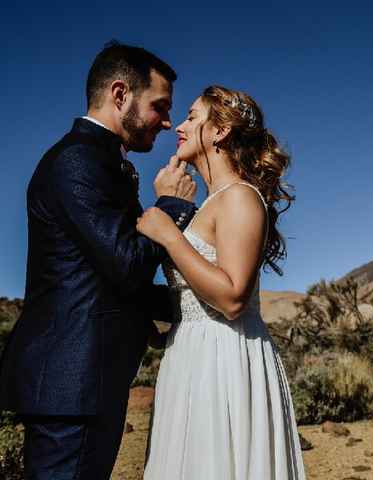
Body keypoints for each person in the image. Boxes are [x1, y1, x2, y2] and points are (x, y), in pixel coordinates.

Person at [0, 42, 197, 479]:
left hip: (85, 385)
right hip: (72, 387)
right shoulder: (77, 162)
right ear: (120, 94)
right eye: (160, 106)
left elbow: (106, 278)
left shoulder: (99, 161)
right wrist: (171, 207)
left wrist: (204, 306)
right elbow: (127, 264)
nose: (167, 122)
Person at [138, 85, 306, 479]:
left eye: (192, 117)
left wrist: (169, 236)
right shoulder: (209, 205)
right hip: (191, 358)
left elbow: (232, 298)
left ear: (219, 132)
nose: (179, 126)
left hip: (225, 361)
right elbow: (194, 292)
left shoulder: (240, 197)